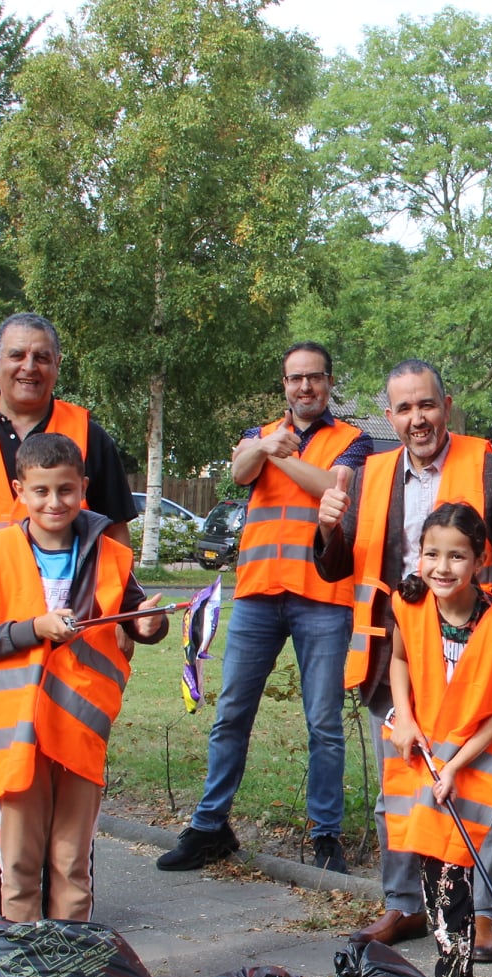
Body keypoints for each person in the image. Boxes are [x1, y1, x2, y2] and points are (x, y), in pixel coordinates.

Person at [0, 312, 139, 934]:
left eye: (41, 356)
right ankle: (0, 906)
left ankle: (65, 919)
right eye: (16, 354)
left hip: (72, 657)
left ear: (56, 366)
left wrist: (124, 617)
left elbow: (115, 529)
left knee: (68, 795)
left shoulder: (87, 431)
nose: (28, 366)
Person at [314, 360, 492, 961]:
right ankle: (405, 903)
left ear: (447, 404)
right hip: (397, 656)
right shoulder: (367, 477)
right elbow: (335, 566)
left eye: (427, 406)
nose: (418, 419)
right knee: (401, 785)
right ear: (389, 416)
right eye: (404, 409)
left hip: (472, 653)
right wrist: (327, 528)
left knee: (473, 783)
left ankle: (482, 912)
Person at [156, 343, 375, 875]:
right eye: (295, 378)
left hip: (320, 597)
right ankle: (210, 826)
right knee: (231, 715)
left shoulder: (353, 440)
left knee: (323, 723)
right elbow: (237, 472)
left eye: (315, 378)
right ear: (284, 384)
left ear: (328, 383)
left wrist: (280, 454)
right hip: (258, 594)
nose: (305, 387)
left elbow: (335, 487)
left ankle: (326, 837)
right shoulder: (260, 434)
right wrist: (264, 447)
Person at [0, 433, 169, 923]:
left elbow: (135, 614)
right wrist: (35, 629)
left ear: (83, 488)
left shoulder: (110, 554)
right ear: (19, 491)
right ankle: (23, 963)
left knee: (72, 862)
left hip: (79, 728)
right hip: (18, 732)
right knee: (20, 860)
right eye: (42, 491)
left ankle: (70, 966)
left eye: (66, 490)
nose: (55, 502)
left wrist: (149, 624)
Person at [380, 502, 492, 977]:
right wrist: (403, 718)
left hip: (475, 753)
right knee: (433, 862)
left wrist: (455, 766)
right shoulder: (409, 604)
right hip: (421, 745)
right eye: (431, 554)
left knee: (454, 865)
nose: (442, 567)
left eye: (457, 556)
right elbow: (399, 659)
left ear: (479, 560)